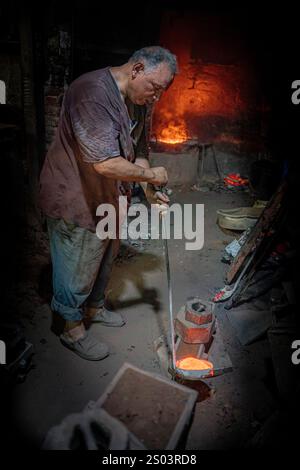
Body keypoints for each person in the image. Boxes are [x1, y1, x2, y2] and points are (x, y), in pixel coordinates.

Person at [39, 46, 177, 360]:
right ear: (138, 68)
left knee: (105, 256)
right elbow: (104, 163)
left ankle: (94, 307)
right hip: (75, 195)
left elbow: (139, 149)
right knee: (78, 263)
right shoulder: (91, 93)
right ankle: (71, 328)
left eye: (161, 92)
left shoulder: (140, 100)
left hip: (110, 196)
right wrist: (153, 176)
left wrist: (148, 186)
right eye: (154, 88)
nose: (156, 97)